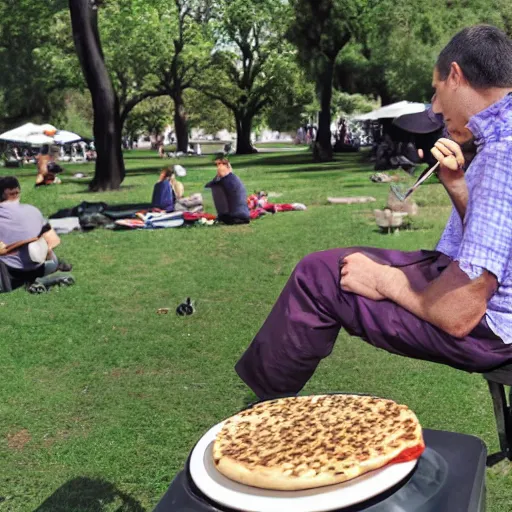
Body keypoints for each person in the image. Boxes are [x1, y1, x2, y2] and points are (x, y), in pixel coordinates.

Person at [235, 25, 512, 399]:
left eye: (436, 89)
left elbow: (459, 313)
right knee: (327, 268)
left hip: (490, 331)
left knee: (320, 278)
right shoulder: (498, 139)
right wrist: (459, 188)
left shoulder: (502, 154)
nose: (435, 107)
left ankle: (260, 418)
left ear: (456, 76)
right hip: (477, 295)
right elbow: (496, 244)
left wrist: (386, 281)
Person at [0, 177, 72, 291]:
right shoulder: (33, 210)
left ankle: (32, 281)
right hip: (43, 267)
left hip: (10, 274)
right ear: (18, 192)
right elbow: (54, 240)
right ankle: (39, 279)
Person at [206, 155, 250, 224]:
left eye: (219, 166)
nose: (218, 168)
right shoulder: (234, 178)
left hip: (232, 217)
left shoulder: (221, 182)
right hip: (245, 216)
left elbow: (207, 188)